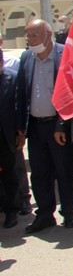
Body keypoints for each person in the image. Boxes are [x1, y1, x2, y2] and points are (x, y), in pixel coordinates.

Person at [16, 19, 73, 233]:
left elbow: (72, 92)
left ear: (48, 34)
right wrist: (20, 127)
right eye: (28, 34)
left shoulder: (64, 55)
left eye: (34, 34)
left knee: (65, 170)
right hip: (35, 125)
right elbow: (21, 94)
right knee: (40, 172)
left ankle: (69, 212)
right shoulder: (26, 57)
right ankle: (44, 214)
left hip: (58, 124)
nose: (30, 39)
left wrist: (62, 124)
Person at [0, 48, 19, 228]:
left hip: (5, 137)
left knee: (9, 175)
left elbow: (19, 107)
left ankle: (11, 210)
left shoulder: (11, 78)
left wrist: (20, 132)